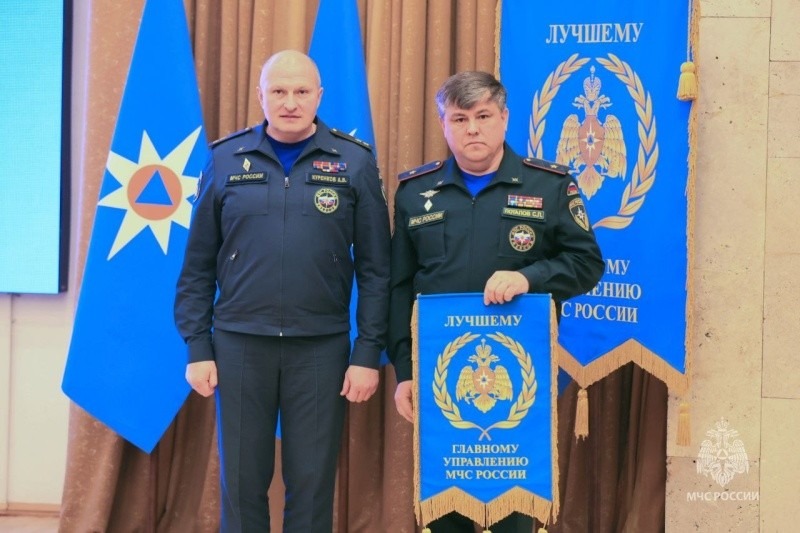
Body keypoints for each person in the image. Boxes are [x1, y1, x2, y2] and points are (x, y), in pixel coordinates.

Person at [174, 50, 390, 532]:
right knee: (241, 485)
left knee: (312, 487)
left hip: (321, 347)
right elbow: (197, 265)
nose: (290, 102)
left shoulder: (354, 162)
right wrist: (197, 346)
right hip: (239, 344)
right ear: (261, 95)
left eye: (301, 91)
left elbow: (377, 270)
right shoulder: (225, 159)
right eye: (278, 91)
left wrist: (366, 352)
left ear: (319, 96)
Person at [388, 71, 604, 532]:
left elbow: (587, 264)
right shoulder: (414, 192)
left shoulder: (549, 186)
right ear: (443, 124)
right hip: (442, 374)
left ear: (504, 119)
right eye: (459, 118)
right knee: (445, 513)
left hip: (517, 377)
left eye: (483, 116)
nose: (472, 129)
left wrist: (529, 277)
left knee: (512, 515)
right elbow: (399, 288)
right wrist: (405, 369)